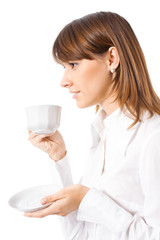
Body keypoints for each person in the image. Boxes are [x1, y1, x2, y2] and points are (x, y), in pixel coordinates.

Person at [24, 11, 160, 240]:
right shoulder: (103, 134)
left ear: (112, 59)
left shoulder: (152, 136)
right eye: (64, 67)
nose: (64, 81)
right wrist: (59, 158)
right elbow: (80, 234)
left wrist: (89, 200)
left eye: (73, 64)